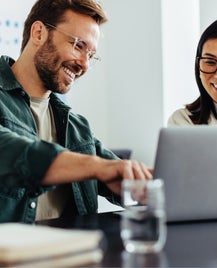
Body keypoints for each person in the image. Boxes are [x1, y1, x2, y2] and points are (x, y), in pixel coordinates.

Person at [0, 0, 152, 223]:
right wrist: (97, 167)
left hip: (78, 253)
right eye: (78, 45)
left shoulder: (77, 127)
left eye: (91, 55)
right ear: (39, 33)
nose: (84, 64)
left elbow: (119, 174)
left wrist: (147, 181)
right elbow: (14, 153)